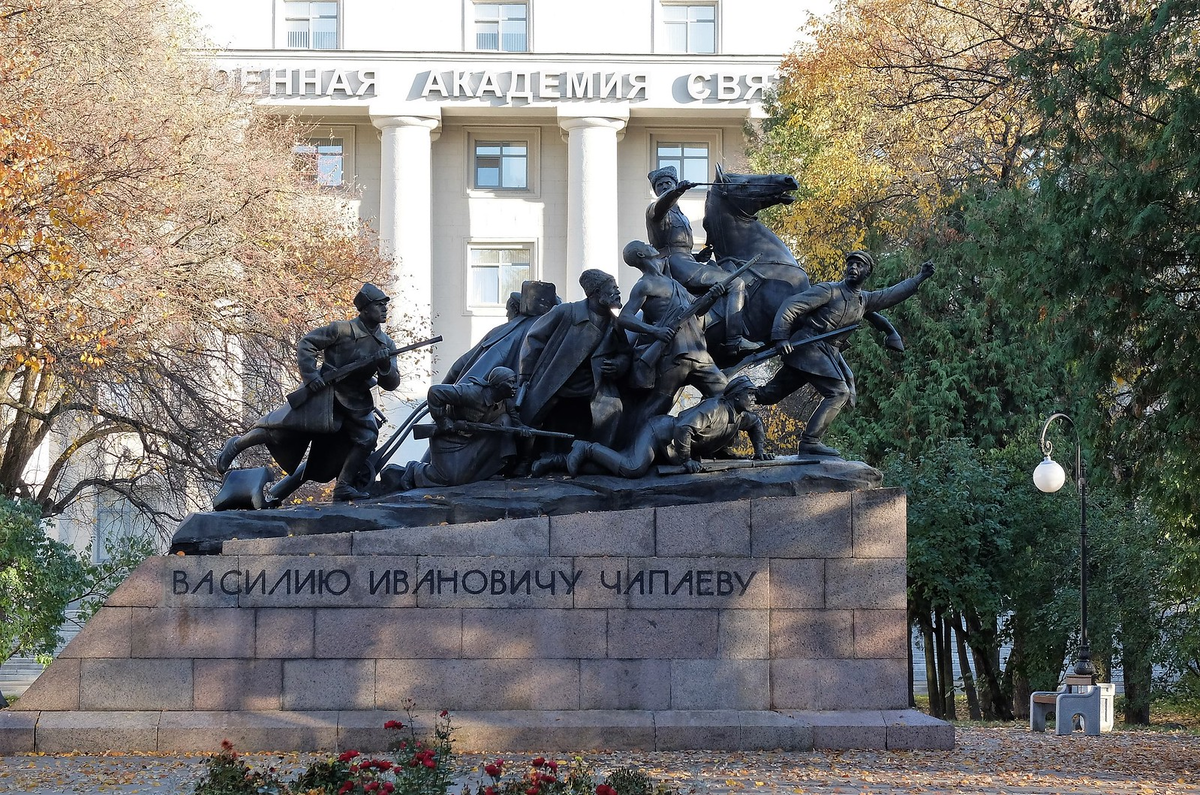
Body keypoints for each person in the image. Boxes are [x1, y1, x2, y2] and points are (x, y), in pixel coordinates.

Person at [215, 283, 402, 501]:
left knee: (367, 438)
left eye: (385, 305)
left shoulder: (386, 344)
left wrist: (385, 366)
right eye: (379, 305)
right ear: (365, 309)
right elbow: (307, 344)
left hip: (355, 401)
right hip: (325, 394)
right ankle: (237, 444)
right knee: (280, 431)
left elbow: (391, 383)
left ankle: (343, 486)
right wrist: (311, 376)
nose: (384, 309)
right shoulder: (341, 330)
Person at [757, 251, 935, 457]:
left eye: (859, 265)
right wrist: (780, 337)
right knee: (839, 392)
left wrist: (920, 277)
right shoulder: (829, 290)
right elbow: (792, 306)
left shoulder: (864, 301)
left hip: (825, 354)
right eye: (850, 264)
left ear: (867, 272)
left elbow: (891, 294)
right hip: (808, 346)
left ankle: (732, 399)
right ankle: (810, 442)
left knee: (770, 394)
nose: (853, 268)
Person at [561, 375, 771, 478]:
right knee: (632, 468)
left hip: (673, 446)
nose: (754, 398)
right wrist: (686, 460)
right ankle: (586, 447)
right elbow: (683, 427)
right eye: (749, 394)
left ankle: (557, 461)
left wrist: (759, 451)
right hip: (659, 433)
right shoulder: (715, 408)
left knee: (610, 468)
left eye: (754, 394)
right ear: (735, 396)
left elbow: (756, 425)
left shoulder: (741, 415)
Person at [645, 165, 754, 356]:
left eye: (668, 183)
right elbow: (662, 206)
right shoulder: (655, 211)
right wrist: (676, 191)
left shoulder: (681, 215)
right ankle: (734, 340)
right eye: (659, 185)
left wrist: (698, 257)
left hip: (688, 261)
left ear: (675, 183)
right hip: (674, 265)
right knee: (735, 283)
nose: (663, 187)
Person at [516, 269, 630, 448]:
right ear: (596, 293)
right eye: (612, 288)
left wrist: (618, 365)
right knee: (531, 417)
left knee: (612, 410)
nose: (618, 292)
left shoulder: (615, 323)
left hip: (594, 385)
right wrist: (525, 376)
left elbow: (625, 353)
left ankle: (595, 457)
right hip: (555, 381)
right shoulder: (566, 312)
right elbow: (534, 339)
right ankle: (524, 459)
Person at [617, 240, 727, 420]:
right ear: (641, 255)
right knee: (656, 407)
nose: (649, 244)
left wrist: (713, 297)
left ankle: (690, 426)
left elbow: (697, 309)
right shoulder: (645, 285)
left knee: (724, 392)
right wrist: (654, 331)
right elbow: (624, 317)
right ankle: (631, 444)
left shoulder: (671, 281)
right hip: (672, 354)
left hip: (697, 350)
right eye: (644, 245)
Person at [392, 366, 533, 489]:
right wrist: (442, 421)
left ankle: (491, 471)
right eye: (511, 382)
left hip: (475, 439)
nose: (515, 386)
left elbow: (516, 423)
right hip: (448, 438)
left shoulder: (505, 402)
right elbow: (435, 392)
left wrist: (523, 429)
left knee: (505, 420)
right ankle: (413, 469)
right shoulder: (471, 393)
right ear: (497, 384)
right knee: (448, 478)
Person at [442, 281, 559, 385]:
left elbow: (462, 364)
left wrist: (447, 387)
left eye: (508, 310)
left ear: (515, 308)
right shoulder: (549, 326)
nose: (507, 315)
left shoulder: (505, 332)